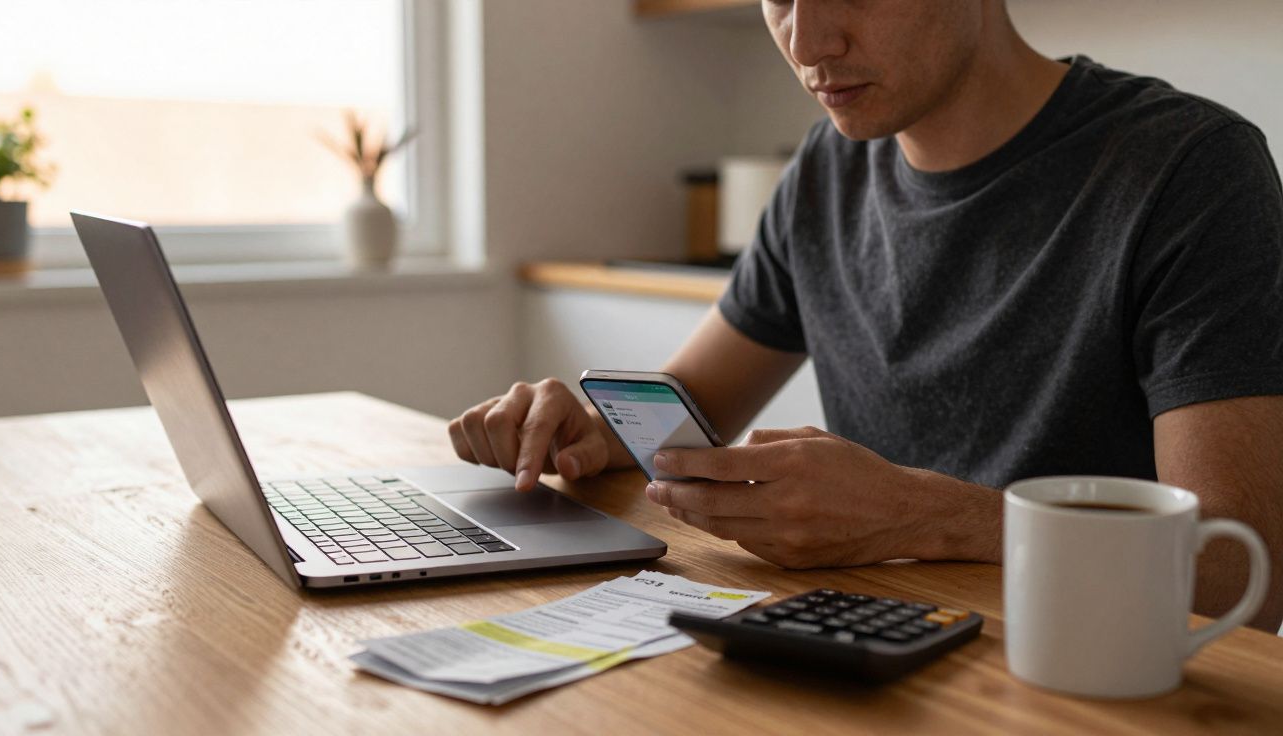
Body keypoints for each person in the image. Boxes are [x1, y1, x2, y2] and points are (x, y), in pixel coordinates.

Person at [448, 0, 1283, 631]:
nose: (808, 44)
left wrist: (926, 514)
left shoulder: (1190, 171)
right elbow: (689, 408)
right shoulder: (826, 170)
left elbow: (1244, 569)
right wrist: (584, 426)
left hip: (1093, 669)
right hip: (877, 647)